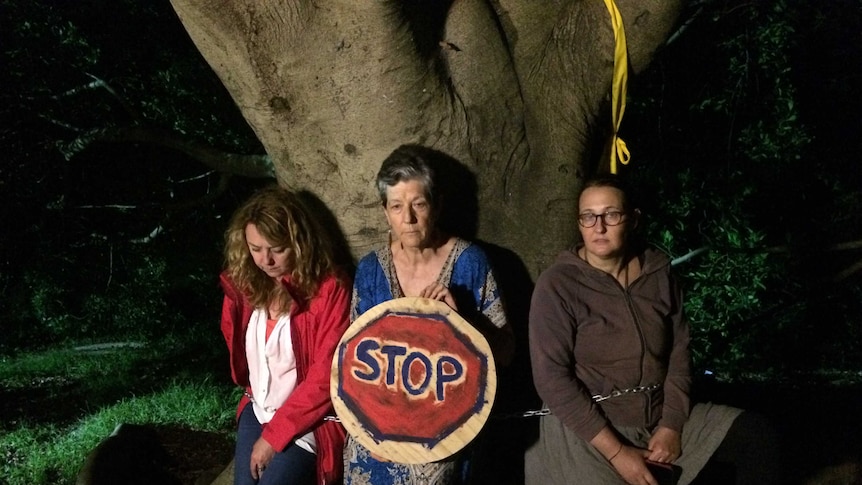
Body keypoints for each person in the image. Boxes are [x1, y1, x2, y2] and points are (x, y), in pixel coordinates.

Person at [525, 174, 779, 485]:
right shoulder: (559, 285)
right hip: (590, 428)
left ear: (632, 220)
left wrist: (671, 425)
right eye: (588, 217)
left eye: (611, 214)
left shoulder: (658, 274)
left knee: (753, 435)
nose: (599, 227)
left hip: (658, 416)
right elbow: (551, 379)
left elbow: (679, 352)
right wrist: (618, 453)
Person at [344, 145, 515, 485]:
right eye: (396, 207)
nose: (407, 219)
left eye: (418, 204)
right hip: (376, 444)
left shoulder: (470, 263)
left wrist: (461, 327)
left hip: (444, 443)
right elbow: (350, 366)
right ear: (385, 212)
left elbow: (507, 352)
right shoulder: (371, 270)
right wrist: (368, 433)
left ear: (435, 207)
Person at [220, 186, 350, 485]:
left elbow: (326, 376)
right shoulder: (245, 284)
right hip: (258, 407)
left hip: (310, 421)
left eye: (277, 249)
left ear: (300, 242)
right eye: (255, 249)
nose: (265, 260)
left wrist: (273, 438)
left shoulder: (330, 289)